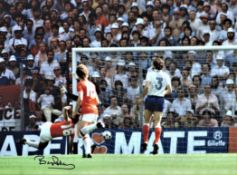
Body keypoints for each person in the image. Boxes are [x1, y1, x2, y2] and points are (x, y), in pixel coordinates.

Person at [72, 63, 104, 158]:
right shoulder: (91, 84)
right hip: (95, 111)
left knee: (79, 133)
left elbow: (80, 99)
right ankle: (88, 152)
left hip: (87, 111)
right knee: (83, 133)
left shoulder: (80, 84)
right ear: (87, 73)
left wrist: (75, 111)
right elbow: (98, 101)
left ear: (78, 75)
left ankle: (95, 126)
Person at [142, 56, 172, 154]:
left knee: (146, 121)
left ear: (153, 65)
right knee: (157, 123)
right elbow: (170, 90)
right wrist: (162, 93)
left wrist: (142, 96)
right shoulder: (166, 75)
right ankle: (156, 142)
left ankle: (145, 141)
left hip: (150, 98)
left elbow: (146, 87)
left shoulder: (150, 74)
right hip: (159, 99)